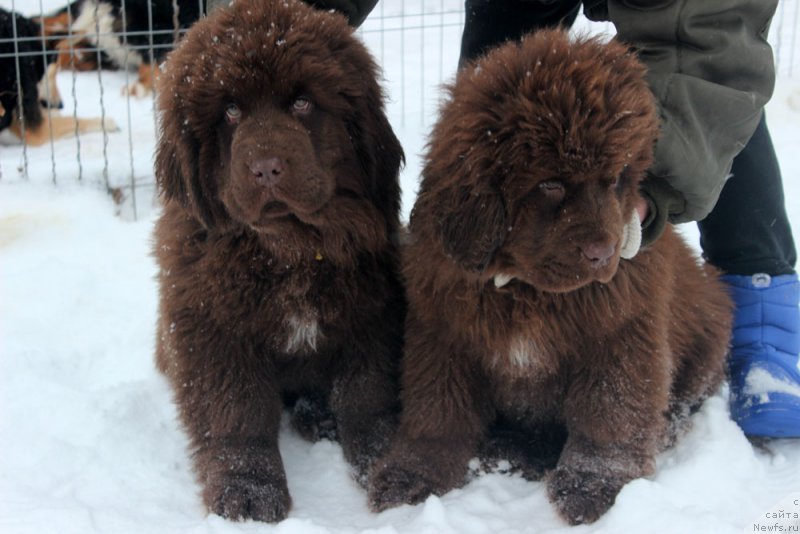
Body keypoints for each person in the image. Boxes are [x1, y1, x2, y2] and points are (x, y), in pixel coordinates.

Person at [205, 0, 800, 438]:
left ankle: (759, 286)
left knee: (682, 105)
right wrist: (276, 54)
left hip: (692, 18)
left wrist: (637, 196)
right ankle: (480, 316)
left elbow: (705, 48)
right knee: (495, 100)